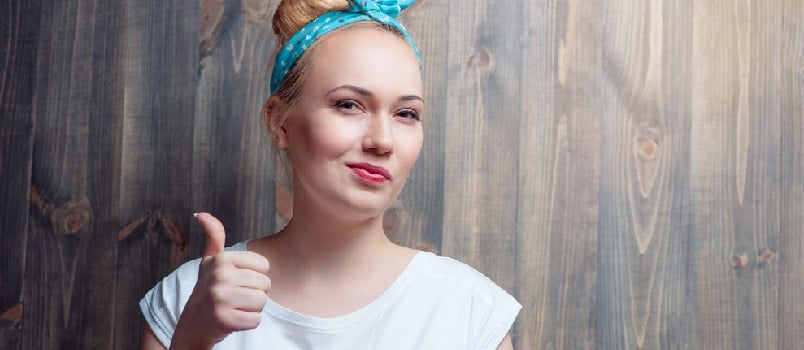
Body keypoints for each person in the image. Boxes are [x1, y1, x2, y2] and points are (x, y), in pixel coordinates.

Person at [139, 0, 521, 349]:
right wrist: (192, 340)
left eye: (406, 114)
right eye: (349, 105)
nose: (383, 141)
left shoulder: (471, 315)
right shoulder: (188, 299)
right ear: (280, 124)